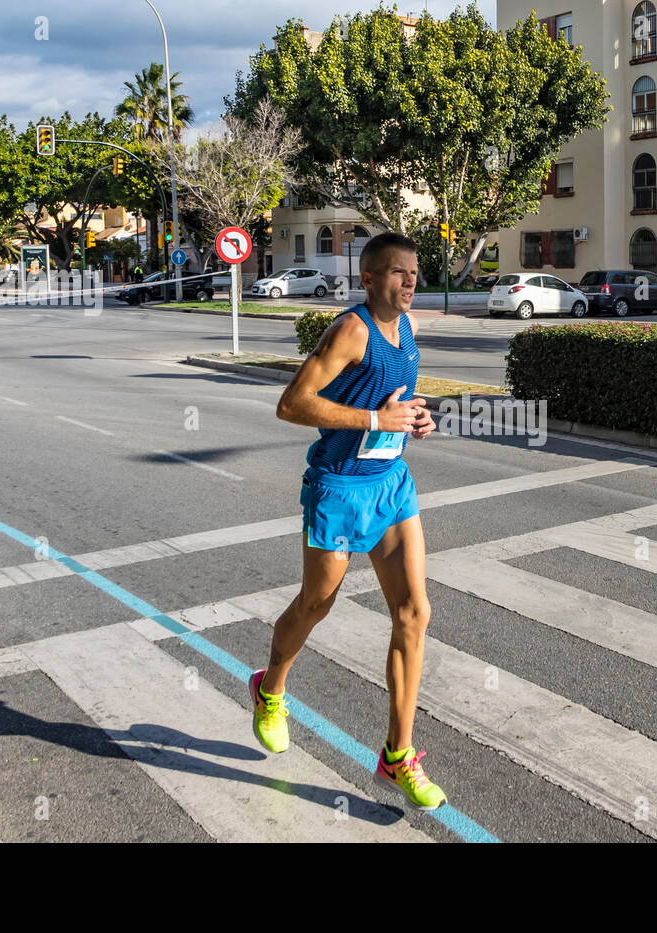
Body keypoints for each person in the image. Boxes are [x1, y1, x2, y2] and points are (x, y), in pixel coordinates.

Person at [250, 232, 446, 811]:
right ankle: (270, 688)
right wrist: (371, 418)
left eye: (413, 273)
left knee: (415, 612)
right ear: (368, 279)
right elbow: (291, 404)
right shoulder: (352, 330)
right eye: (396, 273)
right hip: (338, 491)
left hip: (390, 487)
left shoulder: (405, 328)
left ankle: (397, 755)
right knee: (316, 603)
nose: (408, 282)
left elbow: (392, 401)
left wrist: (413, 419)